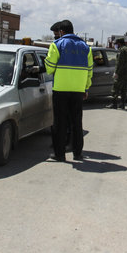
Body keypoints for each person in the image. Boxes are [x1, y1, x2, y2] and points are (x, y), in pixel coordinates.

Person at [44, 20, 93, 162]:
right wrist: (85, 88)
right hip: (78, 90)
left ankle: (60, 154)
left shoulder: (57, 45)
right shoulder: (85, 47)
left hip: (60, 89)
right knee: (76, 122)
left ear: (61, 32)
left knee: (60, 123)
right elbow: (90, 71)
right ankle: (78, 153)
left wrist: (47, 62)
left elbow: (50, 68)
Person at [107, 38, 127, 110]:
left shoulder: (121, 50)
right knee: (124, 89)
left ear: (119, 43)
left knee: (115, 88)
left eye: (116, 44)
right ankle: (122, 104)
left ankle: (114, 104)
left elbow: (119, 63)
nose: (116, 45)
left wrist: (116, 72)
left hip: (121, 73)